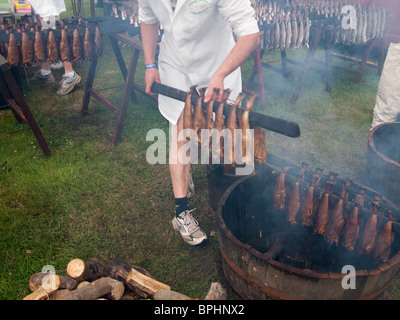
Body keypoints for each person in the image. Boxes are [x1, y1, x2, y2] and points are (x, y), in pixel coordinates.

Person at [138, 0, 260, 245]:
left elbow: (250, 33)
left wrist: (222, 73)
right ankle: (181, 212)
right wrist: (150, 63)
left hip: (217, 61)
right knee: (180, 133)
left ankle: (238, 193)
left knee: (222, 135)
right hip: (175, 64)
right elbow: (148, 17)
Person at [29, 0, 81, 95]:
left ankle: (70, 74)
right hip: (40, 6)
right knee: (43, 34)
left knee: (51, 33)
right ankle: (45, 71)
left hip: (46, 5)